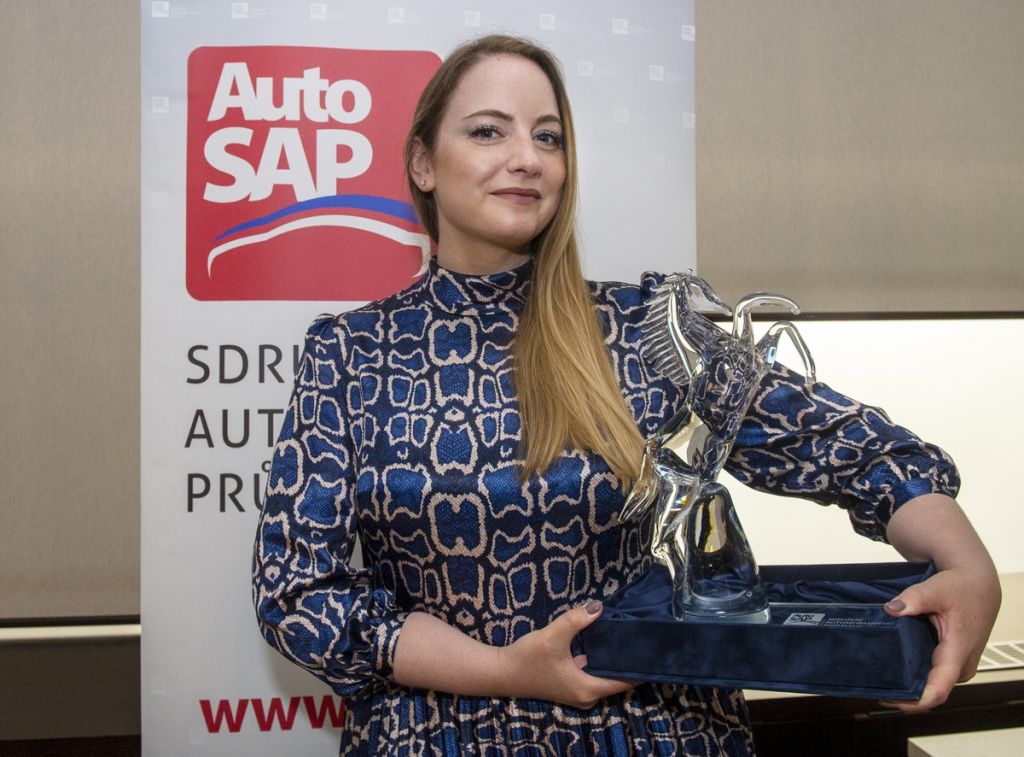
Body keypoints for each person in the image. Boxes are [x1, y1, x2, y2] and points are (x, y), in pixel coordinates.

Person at [252, 34, 1000, 755]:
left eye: (549, 137)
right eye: (488, 131)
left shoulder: (641, 326)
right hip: (434, 733)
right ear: (423, 162)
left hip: (648, 727)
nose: (526, 158)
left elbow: (851, 448)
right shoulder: (350, 352)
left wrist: (967, 566)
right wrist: (505, 669)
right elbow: (299, 594)